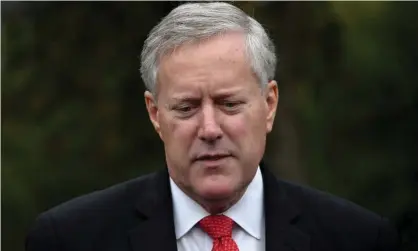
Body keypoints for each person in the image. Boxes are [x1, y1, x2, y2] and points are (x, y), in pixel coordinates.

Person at [26, 2, 399, 251]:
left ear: (269, 105)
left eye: (229, 104)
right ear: (155, 114)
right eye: (186, 108)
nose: (209, 128)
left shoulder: (359, 239)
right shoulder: (69, 239)